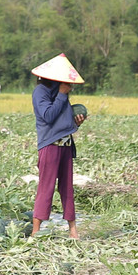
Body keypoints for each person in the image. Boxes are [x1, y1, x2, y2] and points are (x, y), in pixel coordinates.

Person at [30, 53, 88, 239]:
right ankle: (35, 231)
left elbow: (63, 121)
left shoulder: (60, 90)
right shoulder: (41, 92)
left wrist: (77, 122)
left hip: (66, 145)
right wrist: (62, 94)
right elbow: (48, 116)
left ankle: (73, 231)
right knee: (46, 187)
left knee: (67, 188)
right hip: (50, 145)